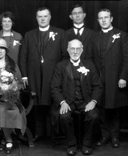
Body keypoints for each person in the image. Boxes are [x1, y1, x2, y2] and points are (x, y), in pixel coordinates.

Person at [19, 7, 68, 140]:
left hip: (53, 75)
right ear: (36, 18)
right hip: (34, 75)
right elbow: (23, 57)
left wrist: (61, 75)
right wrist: (24, 75)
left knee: (52, 103)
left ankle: (52, 134)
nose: (42, 19)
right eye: (40, 16)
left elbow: (64, 56)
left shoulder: (60, 33)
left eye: (45, 16)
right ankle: (39, 133)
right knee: (36, 104)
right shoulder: (29, 35)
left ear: (50, 17)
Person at [51, 39, 102, 155]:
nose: (75, 52)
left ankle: (86, 144)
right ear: (68, 50)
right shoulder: (60, 66)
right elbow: (54, 88)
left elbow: (98, 86)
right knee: (64, 117)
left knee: (93, 116)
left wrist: (93, 101)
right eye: (72, 49)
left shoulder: (89, 65)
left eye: (77, 49)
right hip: (68, 101)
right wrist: (63, 102)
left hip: (85, 101)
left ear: (82, 50)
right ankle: (71, 144)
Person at [88, 8, 128, 148]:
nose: (104, 20)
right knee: (102, 108)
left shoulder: (121, 35)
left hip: (115, 79)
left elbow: (127, 58)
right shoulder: (94, 37)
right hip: (99, 80)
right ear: (98, 20)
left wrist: (123, 77)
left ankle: (115, 137)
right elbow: (90, 59)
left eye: (106, 17)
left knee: (114, 108)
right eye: (101, 18)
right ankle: (104, 136)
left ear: (111, 19)